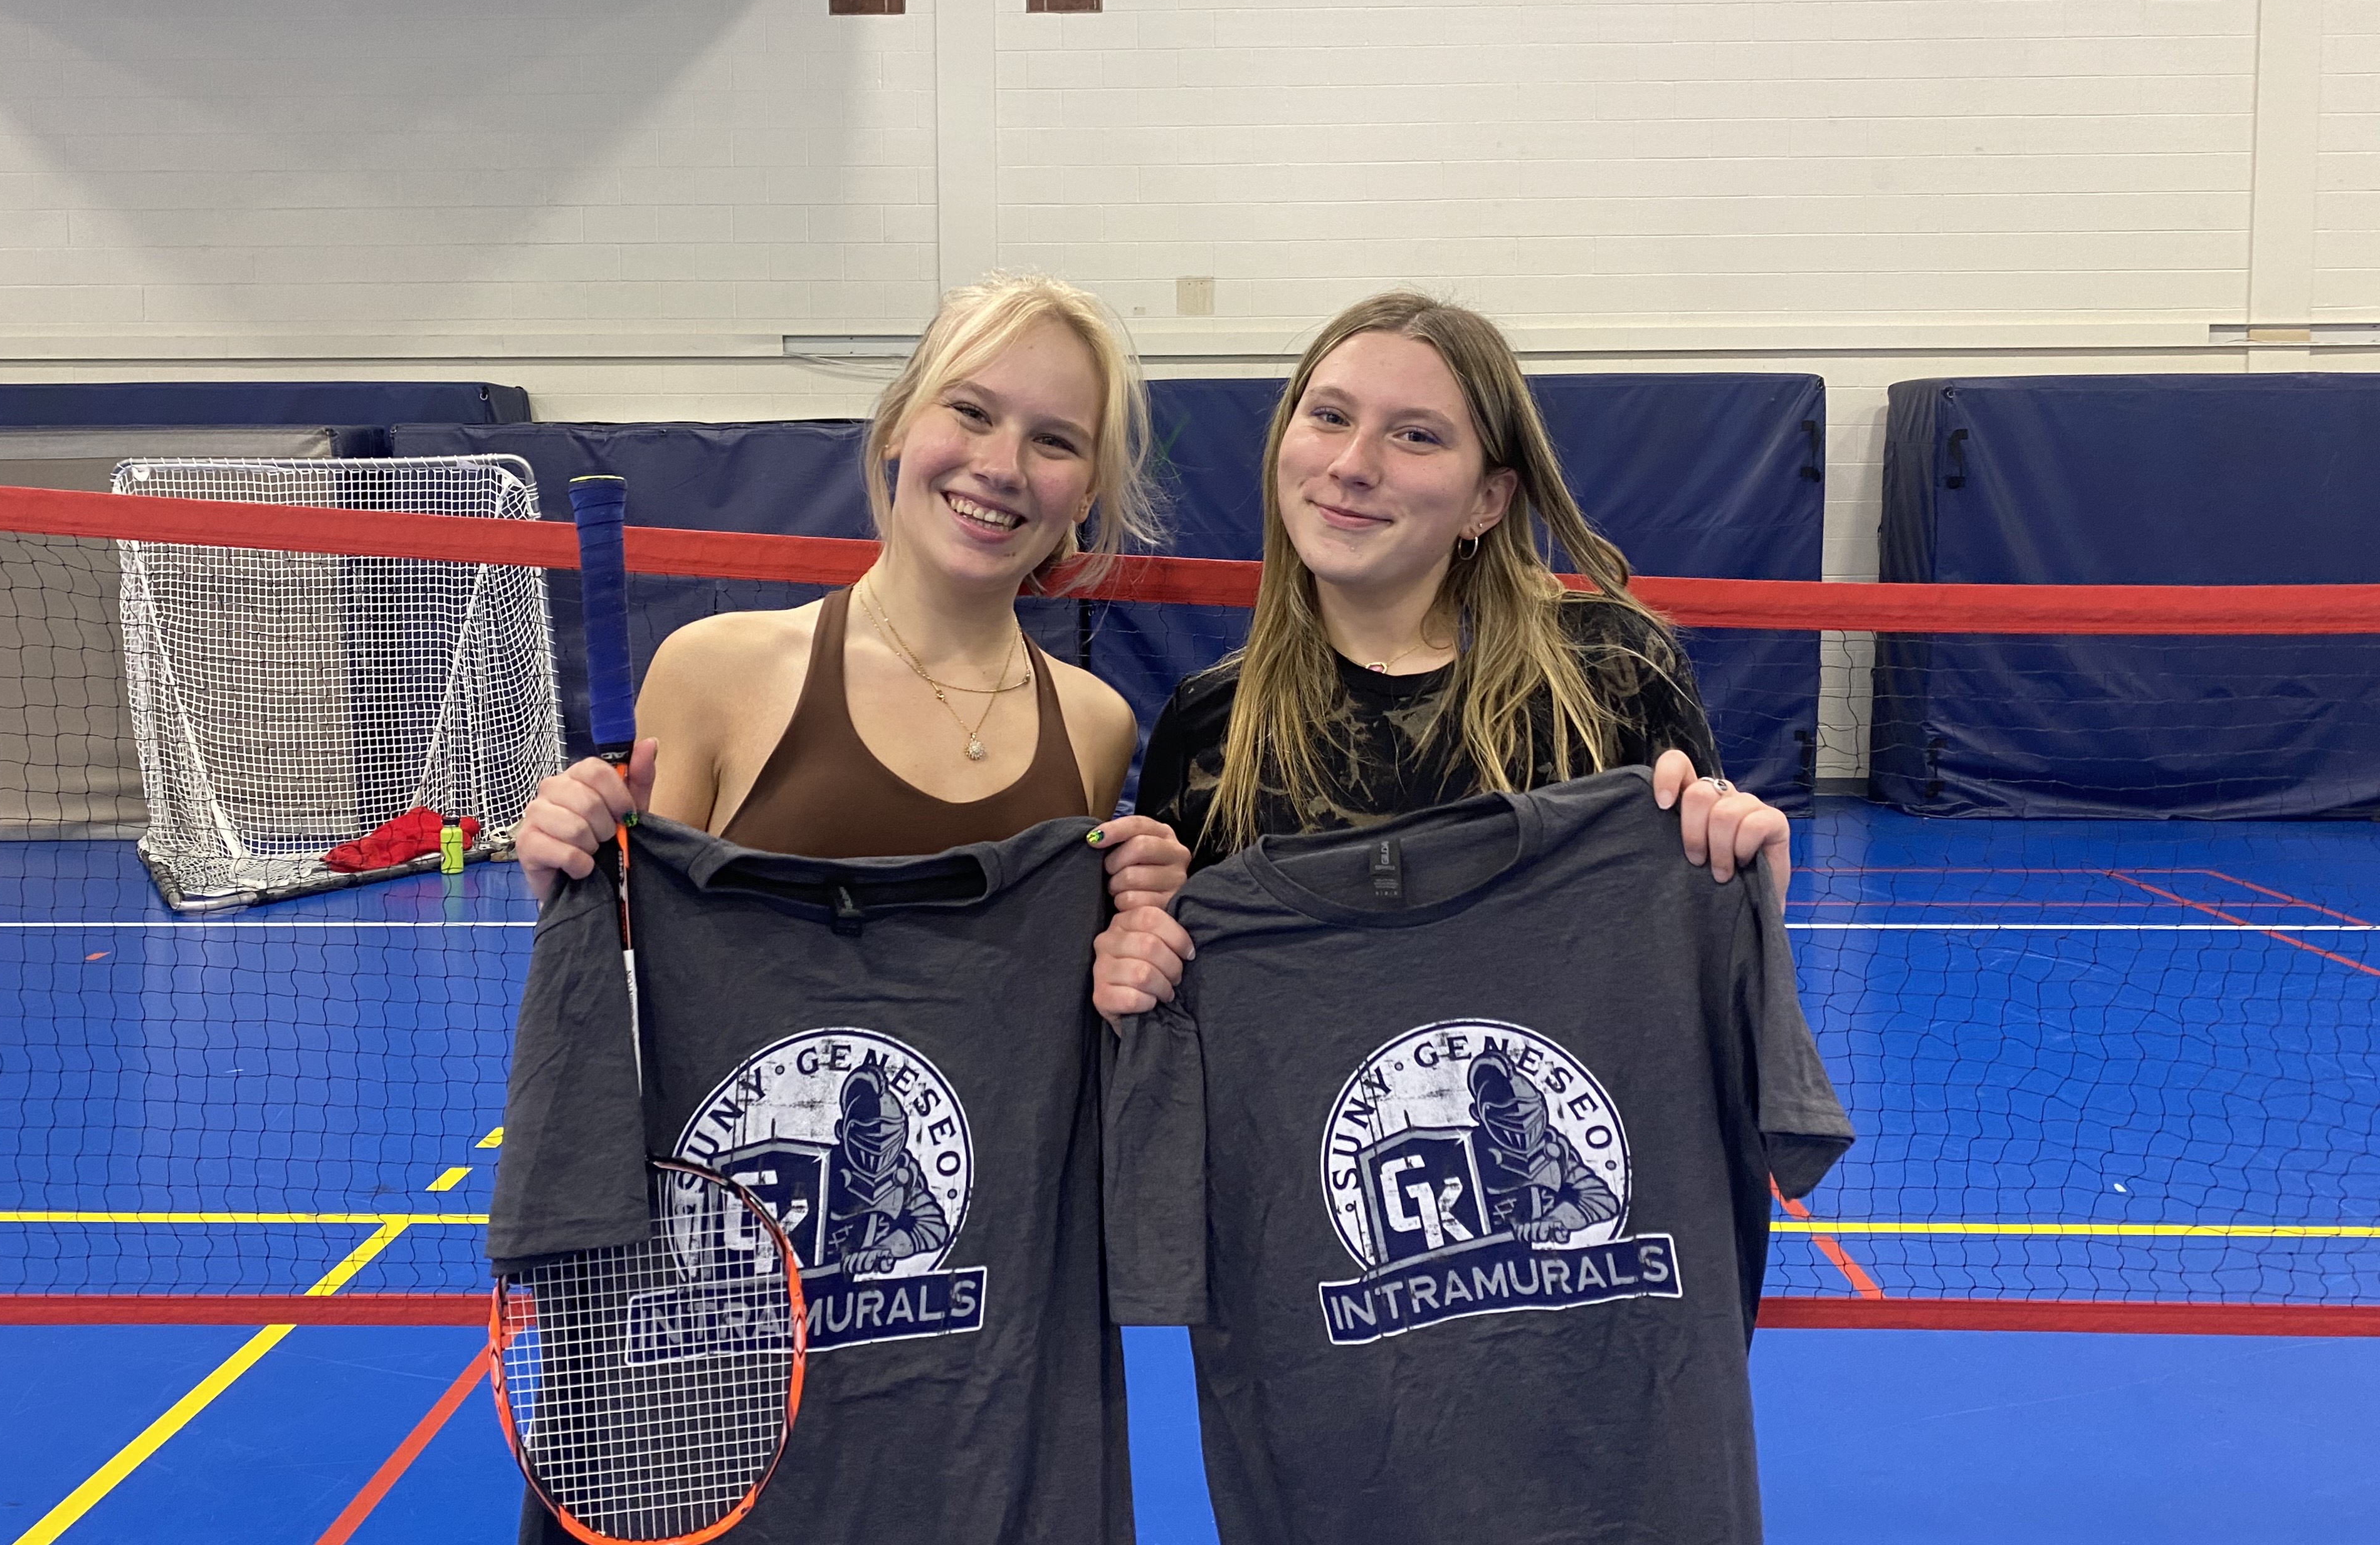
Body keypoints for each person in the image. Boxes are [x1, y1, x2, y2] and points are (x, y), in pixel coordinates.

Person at [1092, 291, 1791, 1020]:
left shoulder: (1610, 674)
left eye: (1417, 436)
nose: (1353, 465)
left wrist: (1750, 895)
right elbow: (1194, 1019)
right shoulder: (1212, 726)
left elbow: (1699, 994)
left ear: (1487, 500)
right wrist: (1138, 974)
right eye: (1329, 416)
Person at [513, 272, 1191, 913]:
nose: (1001, 467)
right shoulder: (713, 673)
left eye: (1053, 441)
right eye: (971, 412)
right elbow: (640, 957)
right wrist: (577, 875)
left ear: (1086, 494)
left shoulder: (1096, 727)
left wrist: (1142, 917)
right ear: (899, 423)